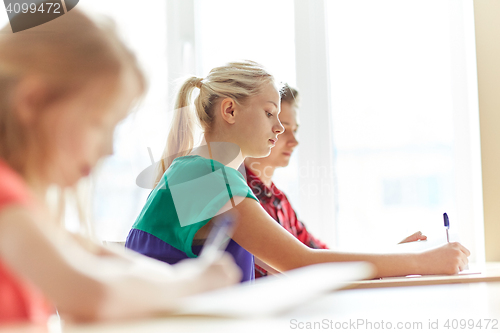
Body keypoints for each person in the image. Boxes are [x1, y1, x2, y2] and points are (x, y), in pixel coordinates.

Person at [126, 60, 470, 284]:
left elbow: (284, 269)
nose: (279, 129)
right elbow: (299, 263)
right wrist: (421, 262)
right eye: (269, 113)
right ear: (229, 109)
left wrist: (402, 257)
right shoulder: (206, 178)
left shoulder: (197, 172)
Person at [0, 10, 240, 324]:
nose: (109, 149)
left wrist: (185, 276)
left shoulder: (30, 212)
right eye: (98, 123)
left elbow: (97, 255)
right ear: (32, 102)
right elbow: (91, 295)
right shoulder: (6, 198)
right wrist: (193, 282)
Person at [245, 85, 427, 277]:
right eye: (283, 129)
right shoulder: (241, 197)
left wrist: (393, 256)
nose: (294, 141)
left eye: (295, 130)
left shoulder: (279, 200)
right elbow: (306, 263)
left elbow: (320, 256)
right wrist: (401, 261)